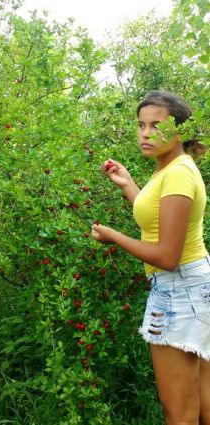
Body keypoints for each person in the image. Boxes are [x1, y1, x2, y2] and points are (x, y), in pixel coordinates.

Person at [91, 91, 210, 424]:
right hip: (193, 286)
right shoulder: (172, 169)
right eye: (141, 125)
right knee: (203, 406)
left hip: (178, 289)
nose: (145, 133)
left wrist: (113, 236)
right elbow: (158, 220)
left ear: (178, 131)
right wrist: (128, 183)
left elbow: (167, 255)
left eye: (156, 125)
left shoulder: (178, 174)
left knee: (181, 415)